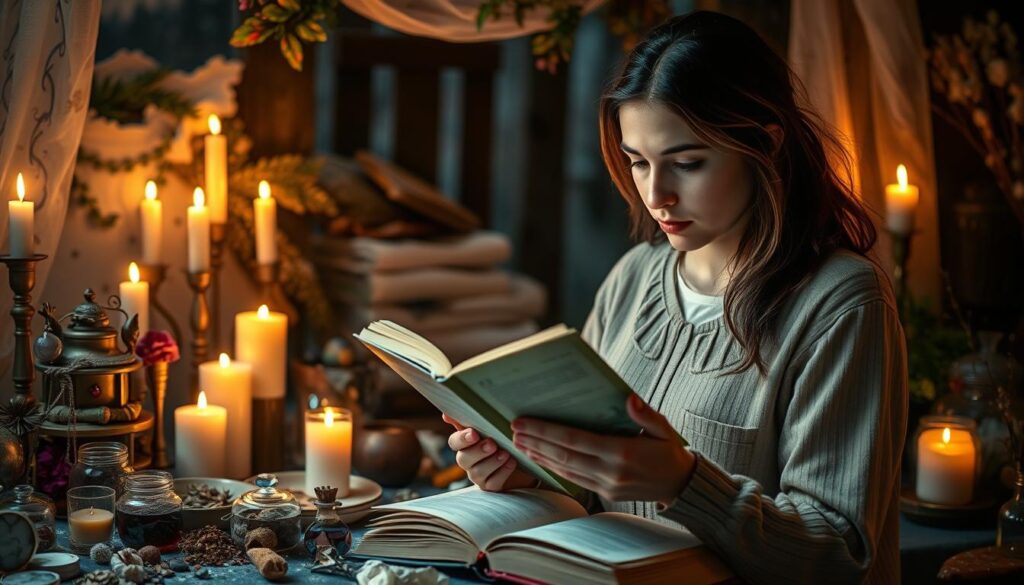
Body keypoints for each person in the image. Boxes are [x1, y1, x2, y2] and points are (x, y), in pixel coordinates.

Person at [443, 10, 907, 585]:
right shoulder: (635, 278)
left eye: (687, 163)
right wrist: (530, 476)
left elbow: (840, 554)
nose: (656, 194)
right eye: (638, 162)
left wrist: (684, 483)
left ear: (762, 143)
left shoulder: (841, 304)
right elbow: (596, 494)